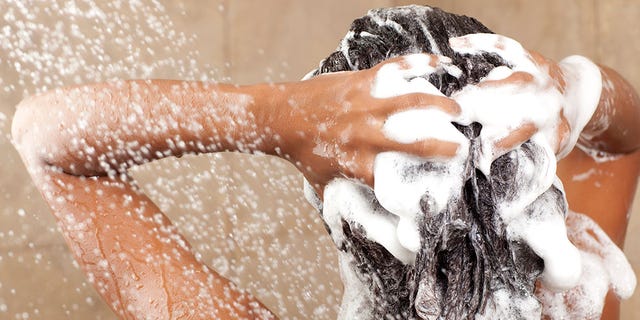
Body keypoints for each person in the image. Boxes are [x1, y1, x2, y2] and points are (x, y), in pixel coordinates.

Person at [11, 8, 640, 320]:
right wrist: (570, 91)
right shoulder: (580, 295)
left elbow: (49, 143)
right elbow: (623, 140)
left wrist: (278, 118)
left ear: (347, 221)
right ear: (536, 187)